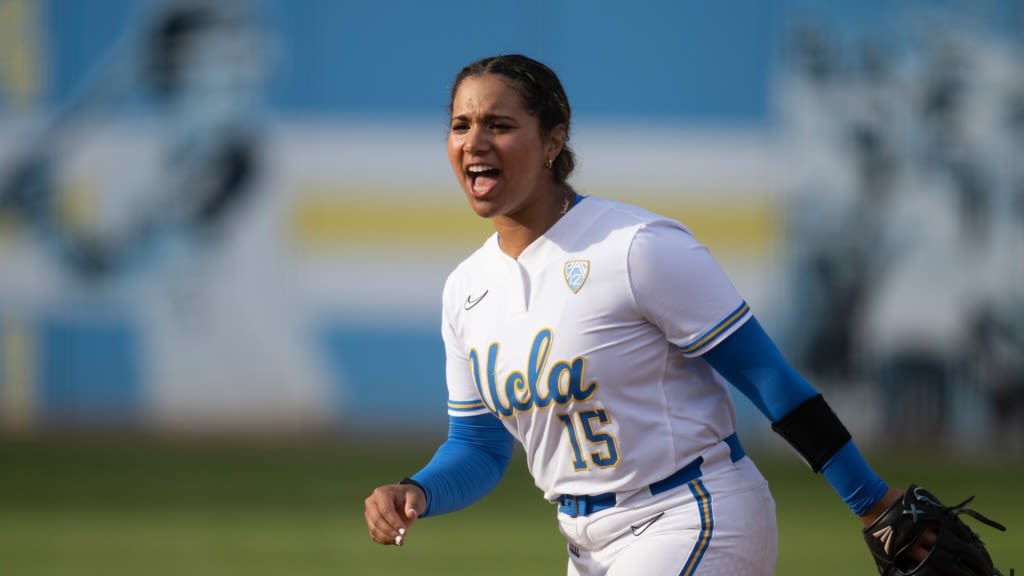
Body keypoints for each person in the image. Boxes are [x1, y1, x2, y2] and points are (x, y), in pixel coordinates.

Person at [362, 54, 989, 575]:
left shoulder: (635, 246)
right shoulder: (465, 290)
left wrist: (872, 501)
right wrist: (417, 489)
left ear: (554, 140)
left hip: (695, 514)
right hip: (586, 546)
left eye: (499, 124)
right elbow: (478, 446)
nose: (474, 142)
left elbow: (769, 380)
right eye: (459, 124)